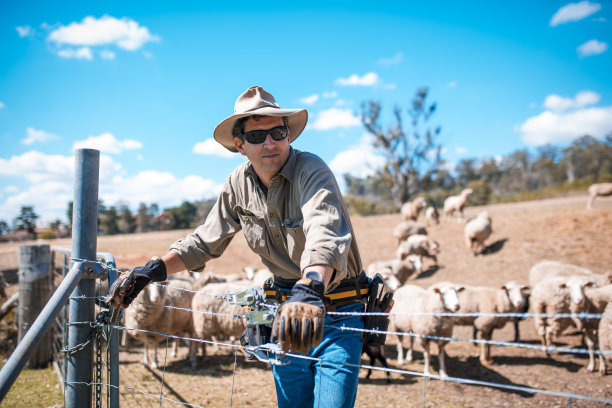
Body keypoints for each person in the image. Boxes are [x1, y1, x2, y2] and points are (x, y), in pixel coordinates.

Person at [113, 86, 369, 408]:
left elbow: (324, 231)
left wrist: (311, 286)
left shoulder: (311, 169)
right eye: (257, 136)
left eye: (278, 132)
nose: (270, 142)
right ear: (240, 145)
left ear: (288, 135)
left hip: (335, 309)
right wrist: (152, 271)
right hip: (283, 313)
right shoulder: (237, 184)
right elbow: (203, 242)